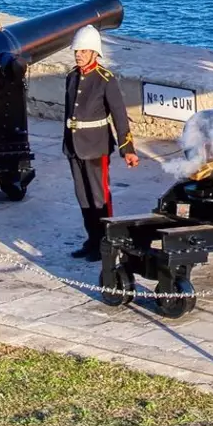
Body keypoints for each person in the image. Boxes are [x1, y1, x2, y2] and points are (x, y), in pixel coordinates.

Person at [63, 24, 136, 261]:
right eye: (77, 51)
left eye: (83, 51)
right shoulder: (72, 77)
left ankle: (107, 243)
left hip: (96, 146)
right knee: (82, 196)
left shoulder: (106, 79)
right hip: (74, 145)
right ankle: (92, 239)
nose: (79, 54)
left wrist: (128, 149)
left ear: (95, 53)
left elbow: (119, 116)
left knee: (99, 197)